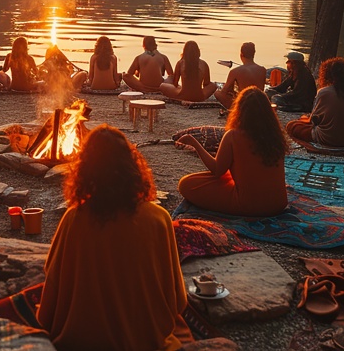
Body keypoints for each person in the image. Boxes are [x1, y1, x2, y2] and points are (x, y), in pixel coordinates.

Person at [38, 126, 188, 350]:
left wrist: (43, 323)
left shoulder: (74, 218)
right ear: (132, 166)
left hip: (82, 340)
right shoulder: (159, 218)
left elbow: (54, 283)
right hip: (145, 340)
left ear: (85, 170)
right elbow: (177, 300)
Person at [177, 87, 289, 216]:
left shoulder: (234, 135)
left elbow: (217, 170)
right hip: (279, 204)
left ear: (240, 111)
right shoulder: (275, 135)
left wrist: (194, 143)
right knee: (226, 177)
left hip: (249, 206)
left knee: (186, 184)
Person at [285, 58, 344, 147]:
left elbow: (314, 121)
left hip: (329, 138)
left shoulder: (324, 92)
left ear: (327, 75)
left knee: (291, 126)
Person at [216, 41, 267, 109]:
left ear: (241, 55)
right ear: (254, 54)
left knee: (217, 93)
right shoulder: (262, 69)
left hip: (244, 104)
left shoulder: (235, 71)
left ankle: (234, 109)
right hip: (259, 103)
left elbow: (224, 92)